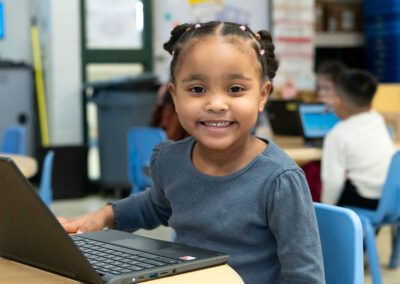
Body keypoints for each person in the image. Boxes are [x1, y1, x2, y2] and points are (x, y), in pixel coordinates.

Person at [58, 21, 324, 283]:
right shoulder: (170, 160)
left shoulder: (280, 181)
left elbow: (304, 276)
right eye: (197, 89)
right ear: (174, 96)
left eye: (235, 89)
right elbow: (155, 206)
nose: (216, 104)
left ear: (263, 95)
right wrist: (102, 216)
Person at [321, 69, 396, 209]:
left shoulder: (337, 135)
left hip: (363, 201)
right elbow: (361, 109)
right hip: (390, 199)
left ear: (338, 102)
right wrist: (340, 104)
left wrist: (327, 210)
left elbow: (332, 182)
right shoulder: (377, 119)